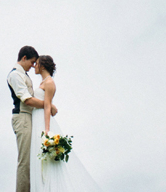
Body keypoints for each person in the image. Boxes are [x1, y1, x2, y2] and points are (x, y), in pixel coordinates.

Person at [29, 55, 102, 192]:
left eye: (37, 64)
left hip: (42, 121)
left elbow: (46, 107)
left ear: (43, 66)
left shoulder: (49, 82)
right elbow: (47, 103)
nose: (34, 66)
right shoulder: (43, 82)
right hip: (36, 118)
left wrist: (47, 130)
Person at [8, 46, 57, 192]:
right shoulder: (15, 75)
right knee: (25, 161)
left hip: (31, 119)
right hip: (22, 117)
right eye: (32, 62)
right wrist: (48, 106)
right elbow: (27, 100)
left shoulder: (24, 75)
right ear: (24, 58)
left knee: (33, 159)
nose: (33, 66)